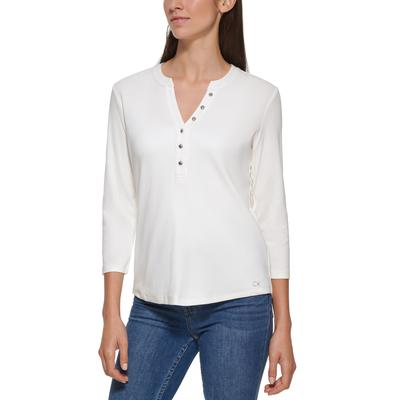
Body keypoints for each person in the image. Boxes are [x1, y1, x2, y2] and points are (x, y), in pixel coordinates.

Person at [98, 0, 296, 398]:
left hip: (239, 304)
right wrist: (110, 313)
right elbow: (118, 207)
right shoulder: (129, 94)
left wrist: (284, 326)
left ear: (225, 2)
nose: (175, 4)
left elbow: (271, 213)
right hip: (153, 305)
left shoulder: (260, 97)